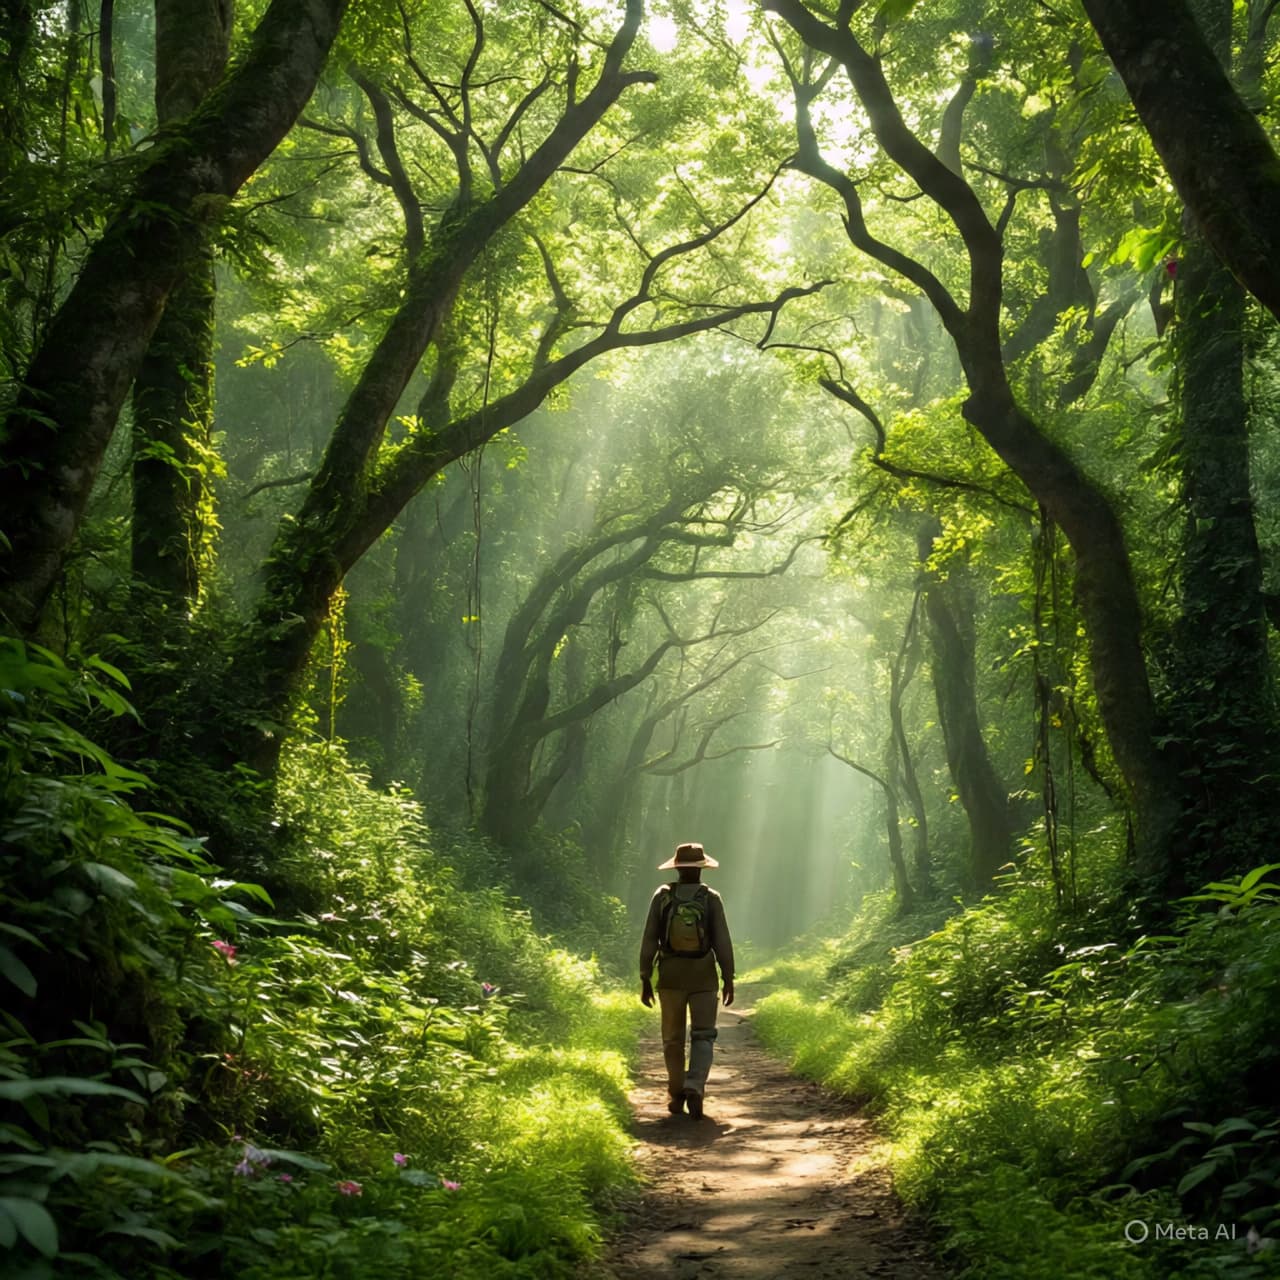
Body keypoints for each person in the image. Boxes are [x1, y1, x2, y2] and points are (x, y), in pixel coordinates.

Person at [638, 841, 734, 1120]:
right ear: (702, 868)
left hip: (670, 976)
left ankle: (676, 1091)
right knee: (703, 1035)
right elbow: (723, 942)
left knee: (672, 1040)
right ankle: (695, 1086)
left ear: (677, 867)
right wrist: (728, 977)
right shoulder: (711, 898)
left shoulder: (663, 896)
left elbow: (649, 939)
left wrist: (645, 976)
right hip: (703, 975)